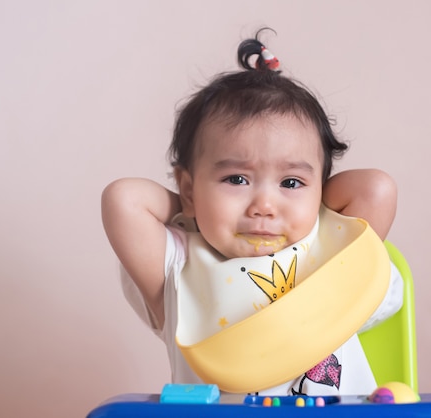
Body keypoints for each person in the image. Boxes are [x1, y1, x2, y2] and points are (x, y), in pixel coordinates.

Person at [101, 30, 403, 396]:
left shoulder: (330, 253)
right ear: (189, 189)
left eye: (291, 183)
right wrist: (198, 205)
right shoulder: (175, 266)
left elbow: (376, 188)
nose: (264, 206)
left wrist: (308, 204)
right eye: (236, 178)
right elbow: (123, 200)